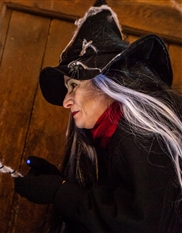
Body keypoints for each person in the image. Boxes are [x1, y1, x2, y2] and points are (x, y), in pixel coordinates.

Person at [14, 0, 182, 232]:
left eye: (73, 86)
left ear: (106, 85)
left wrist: (61, 191)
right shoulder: (113, 132)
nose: (65, 101)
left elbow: (140, 223)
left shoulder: (141, 136)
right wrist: (60, 184)